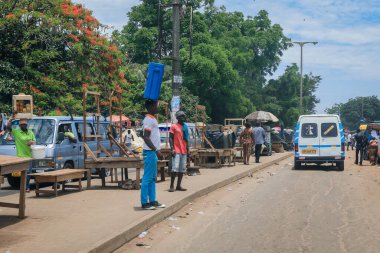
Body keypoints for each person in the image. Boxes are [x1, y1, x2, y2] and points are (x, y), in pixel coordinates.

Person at [141, 100, 165, 210]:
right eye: (156, 105)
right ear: (151, 107)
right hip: (150, 152)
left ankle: (153, 200)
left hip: (153, 152)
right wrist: (156, 150)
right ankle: (144, 203)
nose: (158, 107)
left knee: (152, 178)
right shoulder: (148, 120)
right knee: (147, 178)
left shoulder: (152, 118)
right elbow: (146, 137)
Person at [7, 115, 36, 192]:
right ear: (20, 125)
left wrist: (31, 142)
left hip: (29, 156)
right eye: (22, 124)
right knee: (22, 173)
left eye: (25, 124)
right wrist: (10, 119)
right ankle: (23, 186)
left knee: (29, 173)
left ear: (27, 125)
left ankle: (27, 186)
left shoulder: (30, 132)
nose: (24, 125)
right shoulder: (16, 132)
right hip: (20, 156)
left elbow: (35, 141)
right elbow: (8, 127)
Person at [169, 111, 189, 192]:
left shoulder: (185, 127)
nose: (183, 118)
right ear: (177, 118)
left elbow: (186, 139)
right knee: (175, 168)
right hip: (176, 150)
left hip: (183, 150)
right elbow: (170, 138)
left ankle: (178, 185)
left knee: (182, 169)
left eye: (184, 116)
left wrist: (188, 149)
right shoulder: (174, 126)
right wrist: (172, 148)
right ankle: (171, 185)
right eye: (181, 116)